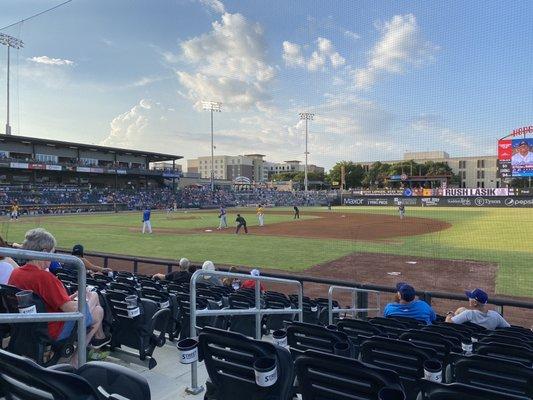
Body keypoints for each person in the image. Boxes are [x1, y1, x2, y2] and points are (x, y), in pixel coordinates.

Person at [8, 228, 110, 360]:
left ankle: (79, 357)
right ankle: (76, 361)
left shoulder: (16, 273)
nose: (54, 256)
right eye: (53, 252)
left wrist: (71, 298)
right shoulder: (44, 277)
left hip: (25, 328)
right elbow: (71, 309)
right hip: (49, 330)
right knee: (97, 309)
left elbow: (49, 302)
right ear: (44, 253)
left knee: (96, 310)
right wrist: (87, 298)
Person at [445, 288, 510, 330]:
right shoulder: (495, 316)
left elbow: (448, 324)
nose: (469, 299)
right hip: (484, 343)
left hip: (468, 341)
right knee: (461, 309)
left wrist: (449, 314)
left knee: (461, 310)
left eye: (470, 298)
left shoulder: (468, 314)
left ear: (475, 302)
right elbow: (508, 328)